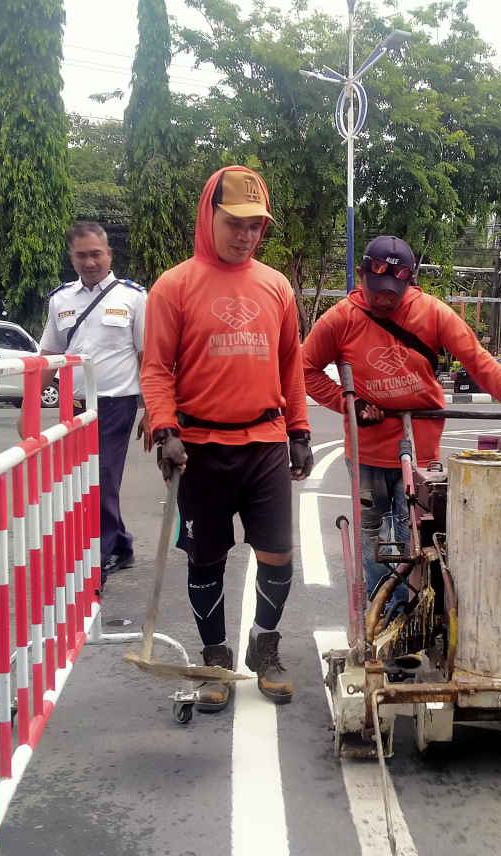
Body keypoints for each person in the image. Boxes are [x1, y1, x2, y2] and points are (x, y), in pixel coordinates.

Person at [140, 166, 313, 712]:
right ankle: (214, 656)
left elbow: (292, 366)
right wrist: (164, 426)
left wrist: (301, 430)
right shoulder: (175, 285)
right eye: (235, 222)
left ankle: (264, 646)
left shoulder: (276, 285)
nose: (245, 234)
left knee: (279, 553)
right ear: (208, 215)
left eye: (256, 225)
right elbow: (156, 368)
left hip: (263, 440)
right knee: (206, 559)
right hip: (199, 449)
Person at [302, 235, 501, 596]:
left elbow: (480, 363)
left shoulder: (432, 313)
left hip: (420, 453)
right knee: (372, 534)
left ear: (409, 282)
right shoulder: (341, 319)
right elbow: (305, 370)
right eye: (377, 290)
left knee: (415, 538)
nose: (385, 299)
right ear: (361, 277)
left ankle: (407, 613)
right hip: (367, 453)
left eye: (394, 290)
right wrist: (350, 404)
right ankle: (378, 614)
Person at [31, 221, 148, 581]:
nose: (90, 261)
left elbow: (149, 358)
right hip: (72, 405)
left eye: (96, 253)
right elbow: (48, 355)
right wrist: (29, 406)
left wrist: (154, 410)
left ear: (109, 254)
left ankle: (95, 562)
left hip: (116, 405)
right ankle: (122, 545)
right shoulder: (60, 299)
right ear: (72, 257)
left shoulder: (133, 298)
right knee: (82, 481)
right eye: (81, 255)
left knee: (101, 478)